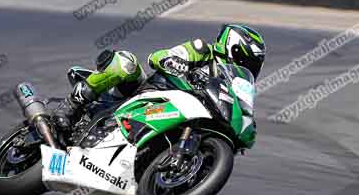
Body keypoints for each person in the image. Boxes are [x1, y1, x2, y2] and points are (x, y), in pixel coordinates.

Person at [54, 24, 266, 127]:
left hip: (175, 118)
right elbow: (158, 57)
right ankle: (71, 105)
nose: (251, 68)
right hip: (147, 94)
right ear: (235, 49)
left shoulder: (230, 86)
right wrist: (174, 61)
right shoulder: (203, 51)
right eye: (251, 62)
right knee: (125, 63)